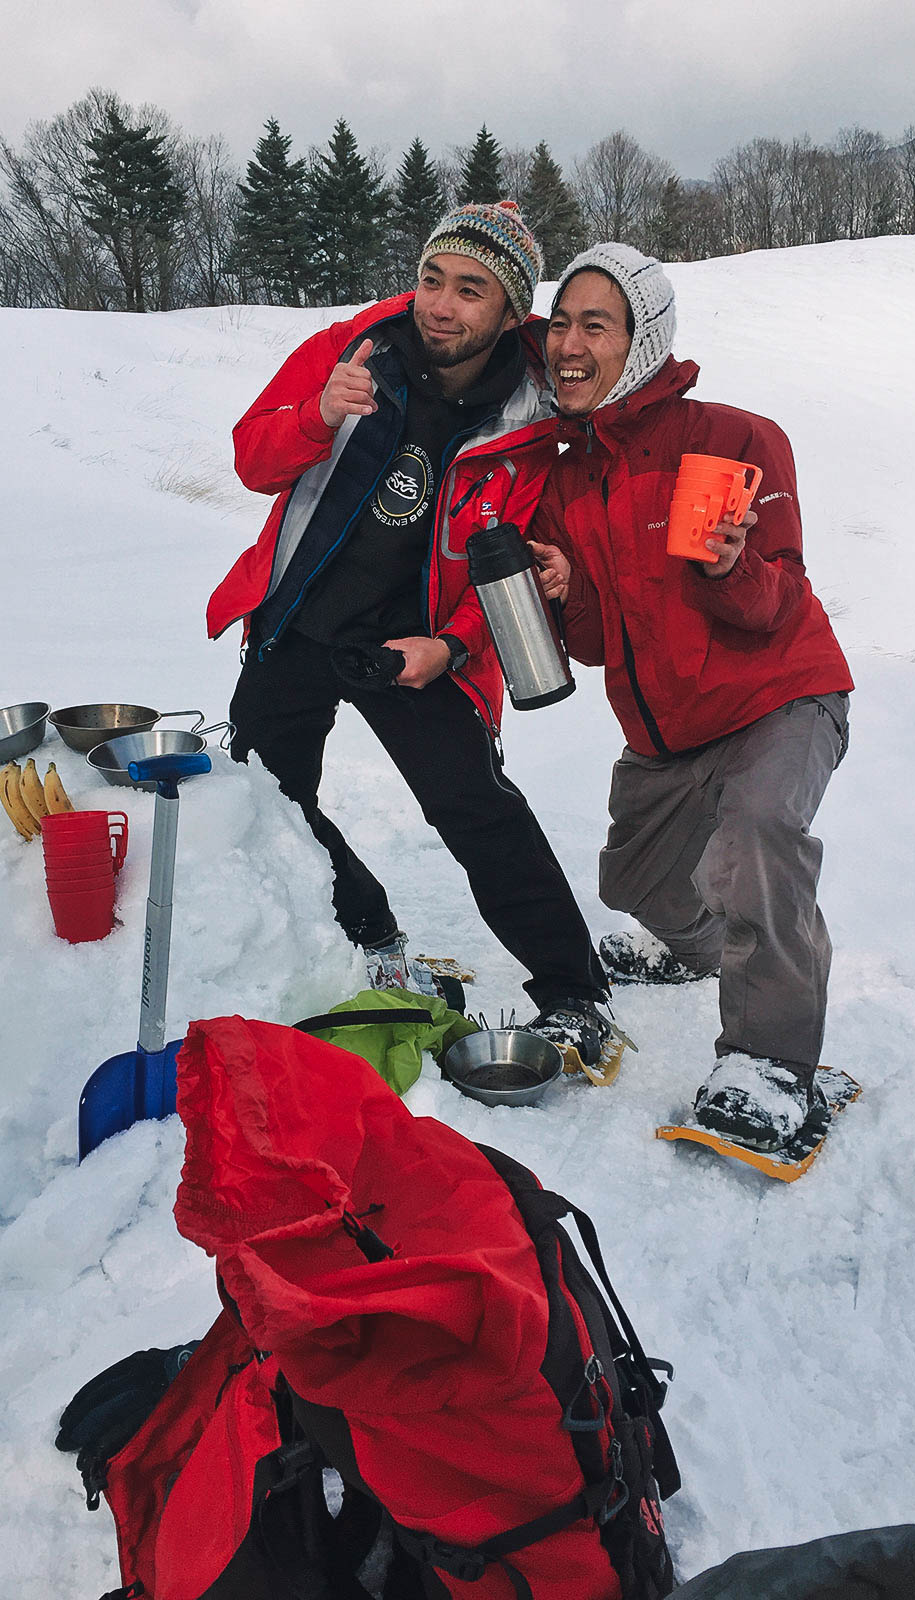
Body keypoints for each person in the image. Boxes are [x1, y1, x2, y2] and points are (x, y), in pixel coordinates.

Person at [205, 202, 613, 1063]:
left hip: (418, 648)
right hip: (298, 619)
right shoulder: (359, 346)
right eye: (433, 278)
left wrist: (454, 648)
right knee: (271, 802)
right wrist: (316, 416)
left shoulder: (535, 418)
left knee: (478, 814)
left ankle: (576, 996)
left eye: (471, 290)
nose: (441, 304)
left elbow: (514, 571)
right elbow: (251, 457)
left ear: (510, 311)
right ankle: (370, 932)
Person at [528, 242, 853, 1148]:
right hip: (668, 732)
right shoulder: (568, 476)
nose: (569, 343)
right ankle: (731, 953)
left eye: (597, 323)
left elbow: (776, 601)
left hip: (781, 699)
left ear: (643, 339)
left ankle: (771, 1063)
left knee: (757, 840)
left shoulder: (734, 438)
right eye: (561, 322)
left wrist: (732, 564)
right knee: (634, 883)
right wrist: (568, 591)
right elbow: (594, 644)